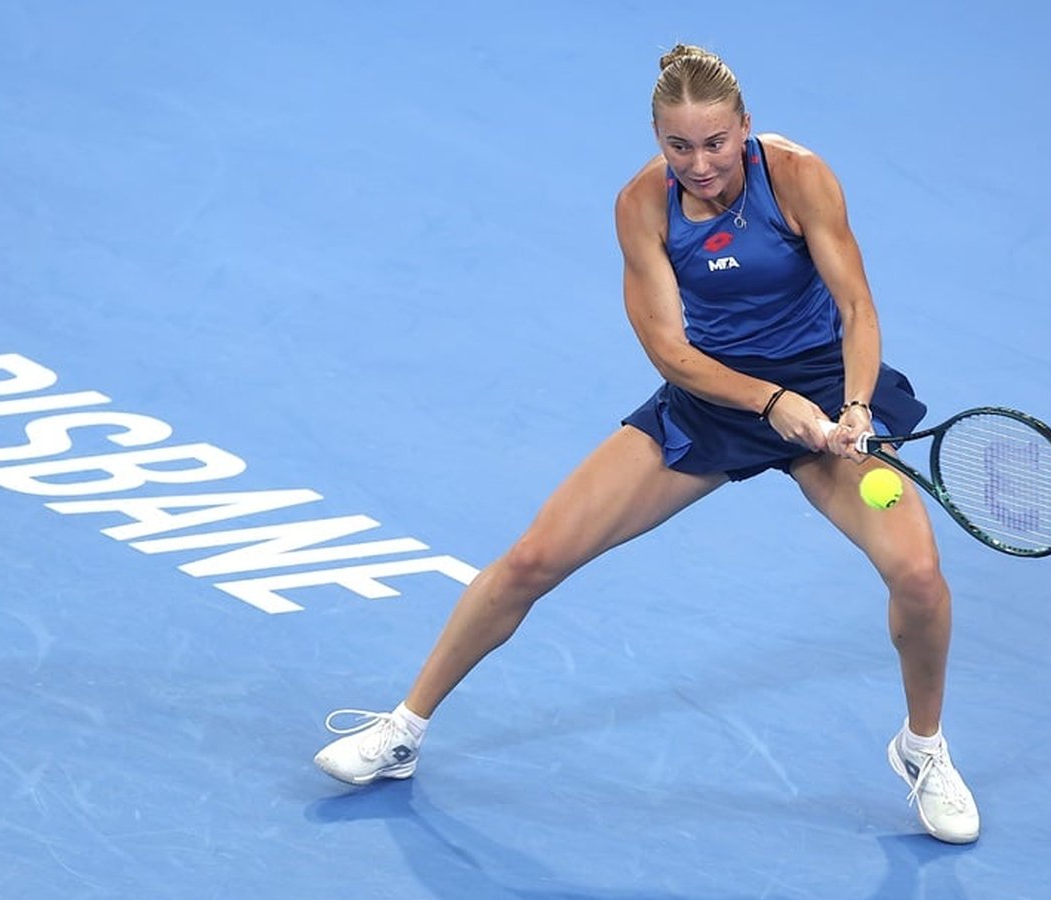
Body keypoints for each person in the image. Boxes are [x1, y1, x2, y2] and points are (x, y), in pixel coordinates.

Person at [313, 43, 980, 845]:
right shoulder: (641, 205)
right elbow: (670, 352)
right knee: (532, 560)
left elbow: (857, 309)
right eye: (679, 146)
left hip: (830, 392)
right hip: (715, 397)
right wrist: (770, 403)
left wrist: (856, 404)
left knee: (918, 576)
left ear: (745, 129)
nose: (700, 164)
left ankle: (923, 750)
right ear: (658, 140)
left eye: (716, 143)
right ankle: (402, 730)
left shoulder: (801, 177)